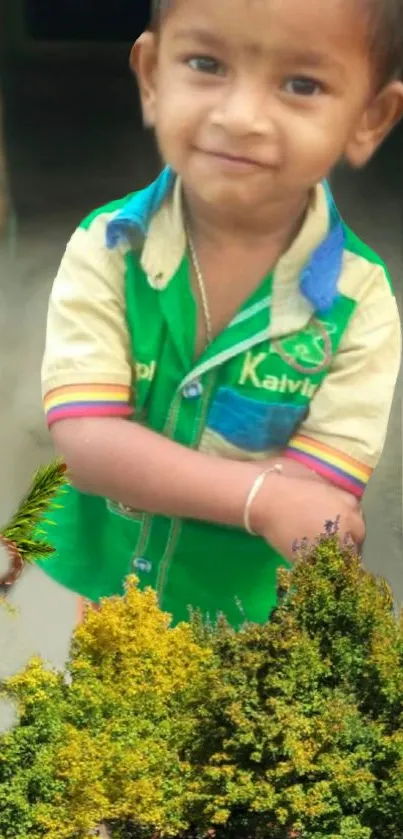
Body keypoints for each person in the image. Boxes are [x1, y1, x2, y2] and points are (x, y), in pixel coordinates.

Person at [38, 0, 403, 627]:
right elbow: (86, 441)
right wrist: (260, 497)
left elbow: (319, 495)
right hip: (97, 584)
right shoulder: (107, 245)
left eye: (301, 84)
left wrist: (285, 503)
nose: (240, 117)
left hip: (241, 619)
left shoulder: (362, 303)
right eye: (206, 64)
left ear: (369, 118)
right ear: (152, 75)